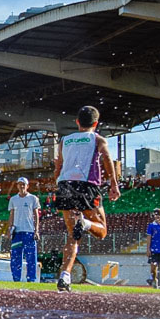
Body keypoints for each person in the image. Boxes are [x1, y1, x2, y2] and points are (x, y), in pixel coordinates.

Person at [51, 105, 121, 292]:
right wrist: (114, 185)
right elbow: (107, 159)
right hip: (86, 185)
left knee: (73, 235)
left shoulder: (64, 140)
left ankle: (65, 276)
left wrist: (57, 184)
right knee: (102, 231)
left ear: (77, 122)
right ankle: (86, 223)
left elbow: (58, 167)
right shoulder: (98, 139)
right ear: (96, 123)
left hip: (65, 185)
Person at [6, 176, 41, 282]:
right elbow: (11, 215)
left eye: (23, 184)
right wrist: (9, 229)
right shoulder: (13, 199)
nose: (21, 186)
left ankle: (31, 279)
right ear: (17, 185)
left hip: (29, 232)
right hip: (17, 232)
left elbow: (36, 215)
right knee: (16, 257)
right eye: (20, 184)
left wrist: (36, 230)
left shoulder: (33, 198)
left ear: (27, 186)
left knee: (31, 257)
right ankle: (16, 278)